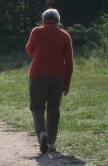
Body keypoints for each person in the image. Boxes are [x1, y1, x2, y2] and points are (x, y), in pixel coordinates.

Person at [26, 8, 74, 154]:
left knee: (37, 108)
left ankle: (42, 133)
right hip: (58, 76)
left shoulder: (36, 31)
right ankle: (52, 143)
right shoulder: (65, 36)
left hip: (37, 75)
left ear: (43, 20)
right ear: (58, 21)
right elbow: (69, 63)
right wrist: (67, 82)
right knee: (54, 110)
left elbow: (29, 50)